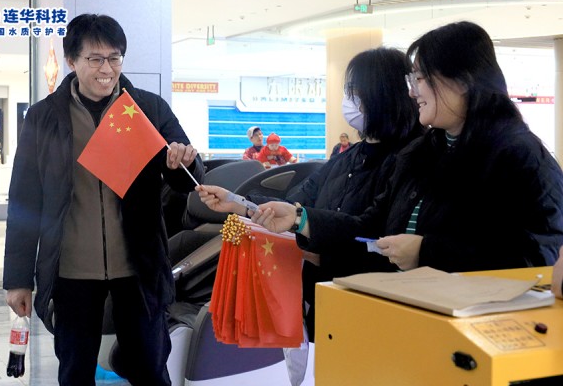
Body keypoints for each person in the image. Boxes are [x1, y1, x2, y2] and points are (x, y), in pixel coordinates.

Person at [237, 21, 563, 275]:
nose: (412, 92)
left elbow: (537, 256)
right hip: (401, 312)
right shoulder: (422, 153)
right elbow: (370, 227)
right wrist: (300, 218)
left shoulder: (518, 157)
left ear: (463, 81)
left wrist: (426, 252)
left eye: (421, 79)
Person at [3, 14, 204, 386]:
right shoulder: (45, 118)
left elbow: (188, 178)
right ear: (71, 60)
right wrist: (18, 279)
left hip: (138, 267)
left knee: (149, 368)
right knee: (75, 371)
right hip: (71, 270)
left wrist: (184, 161)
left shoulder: (147, 109)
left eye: (114, 58)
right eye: (95, 59)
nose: (106, 69)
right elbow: (24, 201)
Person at [197, 47, 424, 341]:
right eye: (348, 91)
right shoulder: (346, 158)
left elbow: (376, 237)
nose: (349, 100)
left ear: (384, 94)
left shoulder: (409, 161)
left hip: (371, 309)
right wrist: (237, 202)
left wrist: (323, 254)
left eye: (356, 91)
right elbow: (295, 206)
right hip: (322, 302)